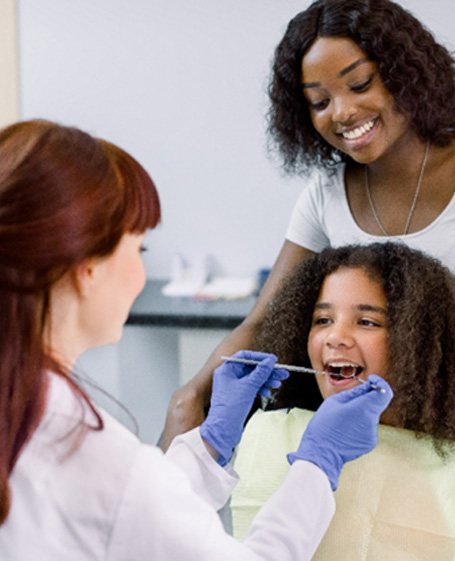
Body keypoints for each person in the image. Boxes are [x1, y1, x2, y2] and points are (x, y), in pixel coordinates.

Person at [0, 119, 393, 560]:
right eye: (139, 250)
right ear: (86, 268)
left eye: (367, 322)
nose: (141, 274)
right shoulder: (93, 454)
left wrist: (206, 446)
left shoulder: (31, 415)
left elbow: (137, 524)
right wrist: (319, 464)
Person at [161, 0, 455, 450]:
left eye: (359, 84)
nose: (341, 112)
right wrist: (193, 395)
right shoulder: (325, 194)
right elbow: (262, 323)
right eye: (319, 101)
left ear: (406, 73)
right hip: (364, 441)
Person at [229, 242, 455, 559]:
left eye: (367, 322)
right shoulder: (270, 434)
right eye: (322, 320)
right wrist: (207, 445)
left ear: (419, 343)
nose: (335, 337)